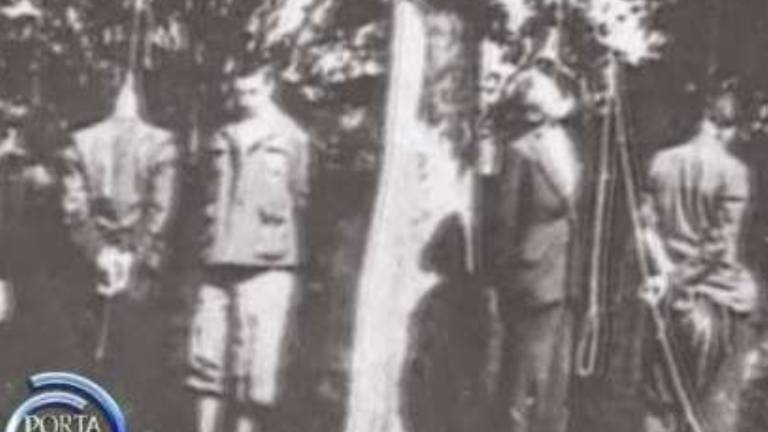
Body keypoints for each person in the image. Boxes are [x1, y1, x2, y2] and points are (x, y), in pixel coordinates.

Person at [186, 62, 311, 432]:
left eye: (253, 91)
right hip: (218, 261)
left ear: (270, 86)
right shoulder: (221, 135)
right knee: (206, 361)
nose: (245, 100)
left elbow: (302, 195)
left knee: (255, 371)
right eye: (239, 92)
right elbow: (205, 195)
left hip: (266, 263)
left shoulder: (292, 137)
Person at [59, 72, 179, 431]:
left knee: (87, 360)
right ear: (137, 93)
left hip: (90, 264)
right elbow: (161, 211)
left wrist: (100, 254)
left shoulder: (80, 142)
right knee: (138, 363)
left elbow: (74, 211)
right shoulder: (162, 144)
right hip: (141, 269)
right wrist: (131, 256)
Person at [639, 89, 759, 432]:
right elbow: (717, 248)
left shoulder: (660, 162)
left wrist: (665, 274)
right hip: (715, 300)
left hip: (662, 296)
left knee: (659, 398)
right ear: (727, 129)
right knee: (708, 407)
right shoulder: (733, 172)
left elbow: (645, 227)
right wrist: (674, 279)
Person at [491, 66, 583, 432]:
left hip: (566, 270)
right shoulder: (521, 152)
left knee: (556, 375)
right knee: (525, 373)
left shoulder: (568, 145)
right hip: (533, 276)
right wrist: (509, 279)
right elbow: (505, 222)